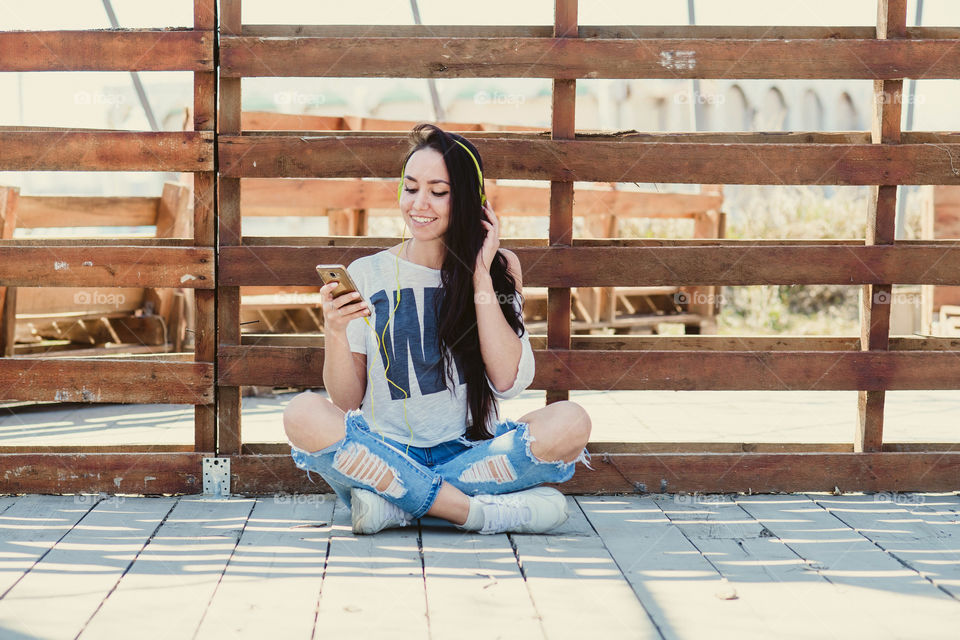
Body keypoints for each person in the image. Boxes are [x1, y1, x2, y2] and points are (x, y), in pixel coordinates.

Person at [282, 123, 593, 535]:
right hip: (384, 456)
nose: (419, 203)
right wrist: (335, 332)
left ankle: (399, 507)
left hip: (469, 455)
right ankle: (474, 512)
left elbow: (507, 381)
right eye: (410, 188)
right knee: (301, 413)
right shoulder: (368, 273)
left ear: (468, 200)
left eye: (438, 191)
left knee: (571, 421)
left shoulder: (501, 268)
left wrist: (480, 274)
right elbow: (346, 399)